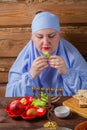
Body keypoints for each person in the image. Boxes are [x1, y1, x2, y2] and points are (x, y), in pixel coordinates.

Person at [5, 11, 87, 97]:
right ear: (32, 37)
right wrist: (31, 75)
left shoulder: (71, 54)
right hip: (33, 108)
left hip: (65, 107)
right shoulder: (25, 56)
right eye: (39, 37)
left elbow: (85, 90)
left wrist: (67, 73)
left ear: (59, 36)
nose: (46, 42)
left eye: (51, 36)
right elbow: (11, 94)